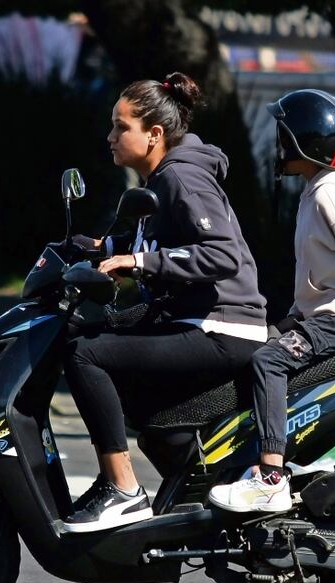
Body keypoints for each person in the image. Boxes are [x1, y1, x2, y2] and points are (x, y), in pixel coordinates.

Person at [63, 72, 268, 532]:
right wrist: (99, 248)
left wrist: (139, 263)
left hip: (222, 328)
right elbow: (158, 241)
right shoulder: (161, 179)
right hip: (193, 318)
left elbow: (221, 254)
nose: (110, 136)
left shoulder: (180, 177)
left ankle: (122, 489)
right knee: (90, 333)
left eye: (121, 127)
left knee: (85, 354)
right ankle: (191, 488)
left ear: (154, 134)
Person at [208, 89, 335, 513]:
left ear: (308, 142)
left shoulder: (329, 195)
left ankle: (270, 476)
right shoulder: (315, 191)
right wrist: (290, 320)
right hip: (326, 317)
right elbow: (321, 275)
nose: (279, 145)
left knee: (269, 362)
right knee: (256, 346)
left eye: (285, 137)